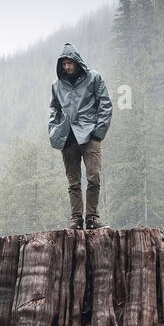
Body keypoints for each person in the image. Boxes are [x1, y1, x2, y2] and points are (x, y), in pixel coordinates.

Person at [48, 43, 113, 230]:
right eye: (64, 63)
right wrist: (54, 130)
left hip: (90, 135)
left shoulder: (94, 77)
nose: (67, 66)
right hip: (67, 138)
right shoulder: (56, 85)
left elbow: (105, 105)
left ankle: (92, 218)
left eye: (70, 63)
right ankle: (76, 220)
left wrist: (98, 132)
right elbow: (54, 109)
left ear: (77, 62)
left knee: (94, 177)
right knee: (73, 182)